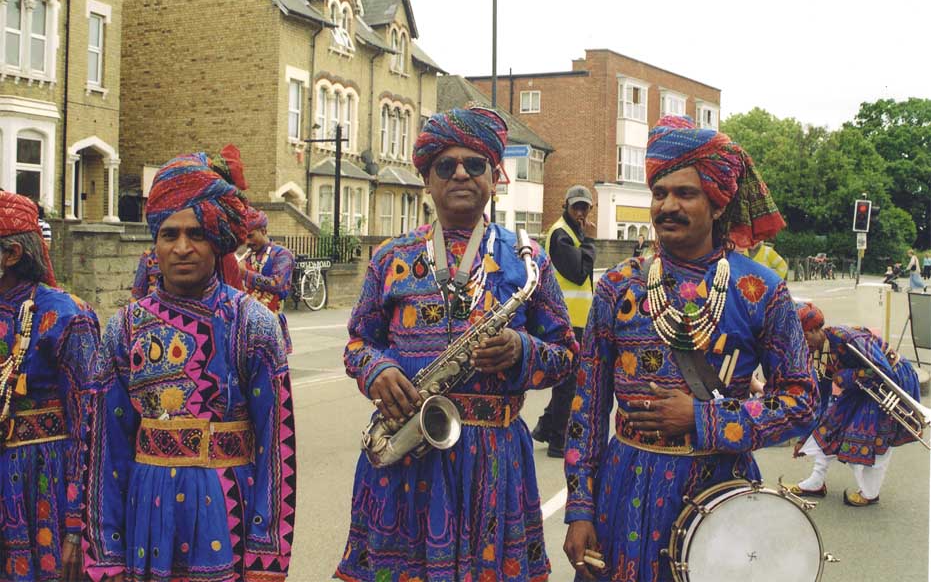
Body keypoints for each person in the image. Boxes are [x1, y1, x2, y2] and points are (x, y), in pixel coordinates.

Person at [562, 115, 817, 581]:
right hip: (625, 487)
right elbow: (587, 408)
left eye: (686, 193)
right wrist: (579, 507)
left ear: (718, 205)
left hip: (724, 495)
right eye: (660, 193)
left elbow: (802, 401)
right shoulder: (617, 288)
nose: (667, 206)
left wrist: (702, 419)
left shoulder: (760, 290)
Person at [335, 107, 577, 582]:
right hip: (407, 452)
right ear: (427, 178)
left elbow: (567, 353)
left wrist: (521, 351)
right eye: (446, 165)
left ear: (494, 176)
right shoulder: (390, 259)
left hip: (495, 461)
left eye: (475, 164)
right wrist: (376, 370)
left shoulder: (529, 261)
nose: (461, 173)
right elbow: (358, 342)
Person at [83, 146, 297, 582]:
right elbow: (106, 446)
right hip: (146, 514)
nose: (182, 247)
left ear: (217, 241)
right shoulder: (123, 329)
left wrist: (267, 554)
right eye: (170, 234)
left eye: (196, 234)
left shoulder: (253, 323)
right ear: (155, 244)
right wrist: (106, 551)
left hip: (228, 511)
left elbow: (276, 445)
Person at [0, 191, 101, 581]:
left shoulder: (65, 315)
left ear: (11, 254)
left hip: (42, 486)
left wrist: (76, 527)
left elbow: (88, 427)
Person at [789, 302, 921, 506]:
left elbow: (883, 371)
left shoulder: (847, 337)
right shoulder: (817, 351)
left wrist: (845, 376)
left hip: (893, 381)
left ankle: (870, 493)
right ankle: (815, 482)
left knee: (874, 436)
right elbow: (822, 401)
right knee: (831, 425)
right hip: (863, 384)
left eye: (804, 336)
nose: (803, 344)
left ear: (815, 329)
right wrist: (805, 438)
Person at [532, 185, 596, 458]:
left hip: (576, 318)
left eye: (585, 207)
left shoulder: (573, 233)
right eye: (576, 207)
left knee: (568, 378)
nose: (580, 212)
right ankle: (558, 440)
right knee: (569, 382)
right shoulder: (561, 234)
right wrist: (590, 242)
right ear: (566, 206)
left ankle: (547, 428)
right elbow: (579, 272)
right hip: (567, 320)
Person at [240, 208, 295, 354]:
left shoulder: (282, 255)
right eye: (245, 237)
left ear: (263, 231)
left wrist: (245, 273)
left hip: (271, 320)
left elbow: (277, 284)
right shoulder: (247, 257)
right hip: (247, 323)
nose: (247, 242)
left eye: (251, 236)